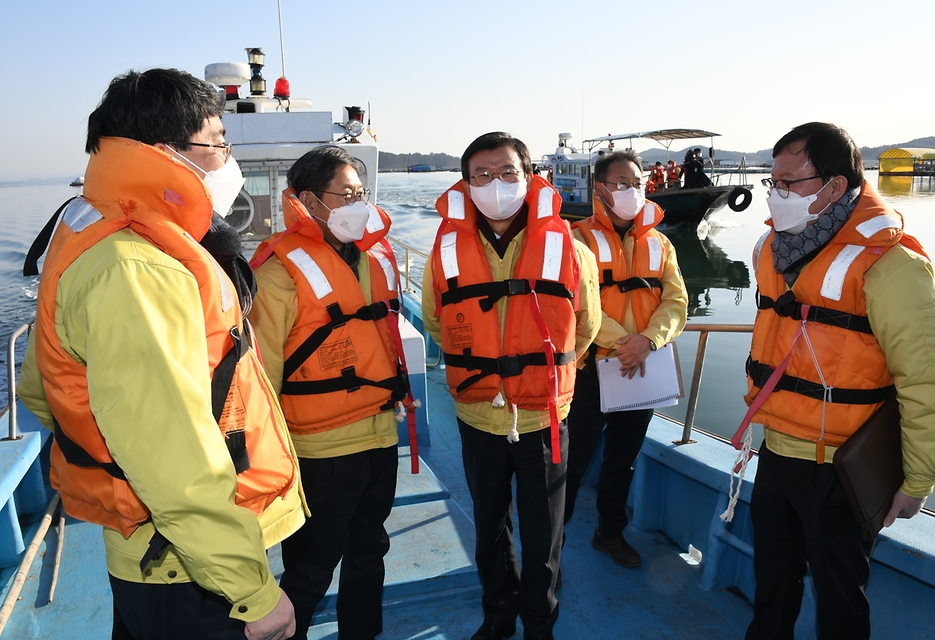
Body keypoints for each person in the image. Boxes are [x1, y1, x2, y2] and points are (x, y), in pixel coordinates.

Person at [17, 68, 305, 640]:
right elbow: (170, 454)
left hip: (161, 549)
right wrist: (250, 589)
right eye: (218, 142)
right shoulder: (137, 265)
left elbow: (37, 389)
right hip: (187, 567)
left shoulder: (95, 226)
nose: (227, 158)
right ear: (167, 152)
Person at [742, 122, 935, 639]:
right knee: (771, 585)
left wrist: (919, 476)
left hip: (840, 469)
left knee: (840, 600)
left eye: (790, 183)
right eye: (774, 182)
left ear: (835, 186)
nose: (777, 194)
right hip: (777, 454)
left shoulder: (893, 264)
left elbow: (926, 377)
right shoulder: (773, 250)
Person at [422, 132, 601, 640]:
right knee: (490, 529)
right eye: (481, 175)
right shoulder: (446, 250)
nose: (494, 184)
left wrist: (547, 377)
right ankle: (498, 619)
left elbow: (585, 325)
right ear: (466, 184)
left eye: (507, 173)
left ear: (529, 177)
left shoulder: (570, 246)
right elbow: (437, 320)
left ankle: (539, 625)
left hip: (544, 416)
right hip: (478, 416)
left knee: (544, 534)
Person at [248, 146, 412, 640]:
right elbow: (262, 377)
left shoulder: (375, 260)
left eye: (362, 194)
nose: (358, 205)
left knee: (369, 552)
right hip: (320, 448)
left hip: (380, 437)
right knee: (312, 563)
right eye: (346, 195)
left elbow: (382, 340)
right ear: (307, 201)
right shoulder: (277, 274)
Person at [564, 149, 688, 568]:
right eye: (621, 184)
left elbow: (676, 300)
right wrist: (625, 343)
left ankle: (609, 533)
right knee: (572, 460)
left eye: (637, 183)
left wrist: (649, 341)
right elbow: (575, 304)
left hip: (643, 367)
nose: (631, 191)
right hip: (591, 370)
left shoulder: (661, 242)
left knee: (624, 459)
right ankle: (550, 549)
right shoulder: (575, 240)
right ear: (599, 189)